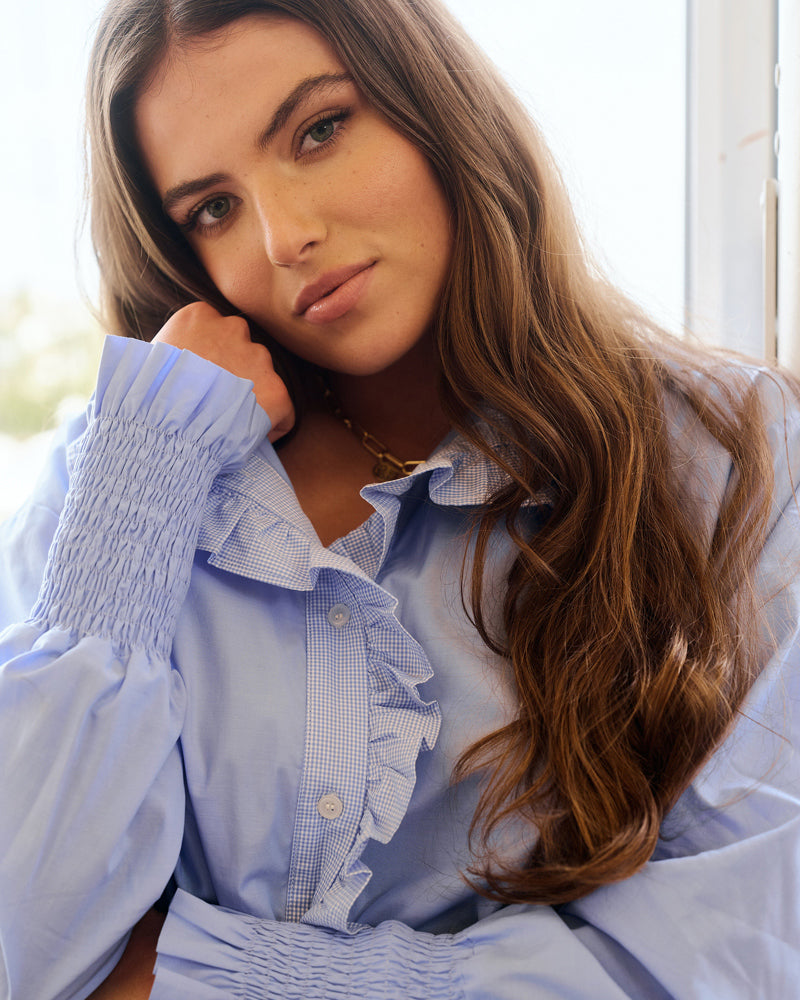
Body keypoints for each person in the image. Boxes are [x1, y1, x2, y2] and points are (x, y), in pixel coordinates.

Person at [0, 0, 798, 996]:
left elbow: (726, 958)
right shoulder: (123, 483)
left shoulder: (729, 454)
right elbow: (20, 937)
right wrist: (149, 461)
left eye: (318, 131)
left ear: (432, 104)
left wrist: (171, 974)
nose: (285, 235)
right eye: (212, 207)